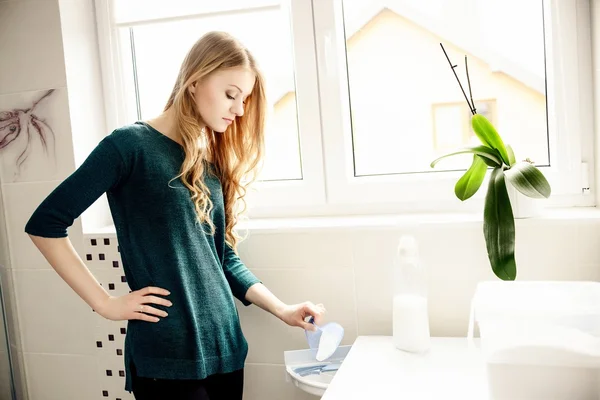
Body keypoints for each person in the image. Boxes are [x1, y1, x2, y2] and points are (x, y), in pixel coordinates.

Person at [24, 31, 326, 400]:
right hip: (165, 355)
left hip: (225, 346)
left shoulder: (211, 160)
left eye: (244, 99)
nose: (239, 109)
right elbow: (45, 224)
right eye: (231, 94)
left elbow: (222, 257)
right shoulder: (129, 146)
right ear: (195, 81)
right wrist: (104, 303)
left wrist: (283, 309)